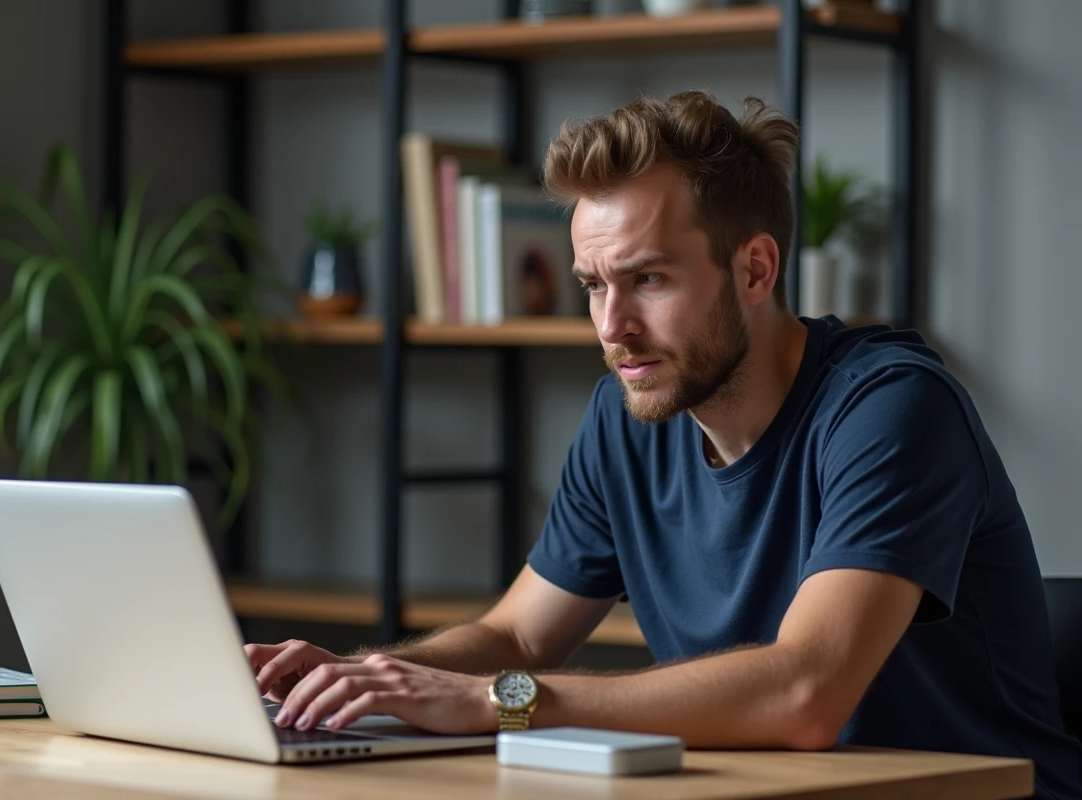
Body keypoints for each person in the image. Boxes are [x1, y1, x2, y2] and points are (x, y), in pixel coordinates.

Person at [246, 90, 1082, 798]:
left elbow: (805, 693)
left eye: (647, 279)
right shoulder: (628, 413)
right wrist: (362, 682)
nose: (613, 328)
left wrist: (497, 700)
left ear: (755, 270)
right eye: (593, 286)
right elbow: (519, 638)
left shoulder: (892, 408)